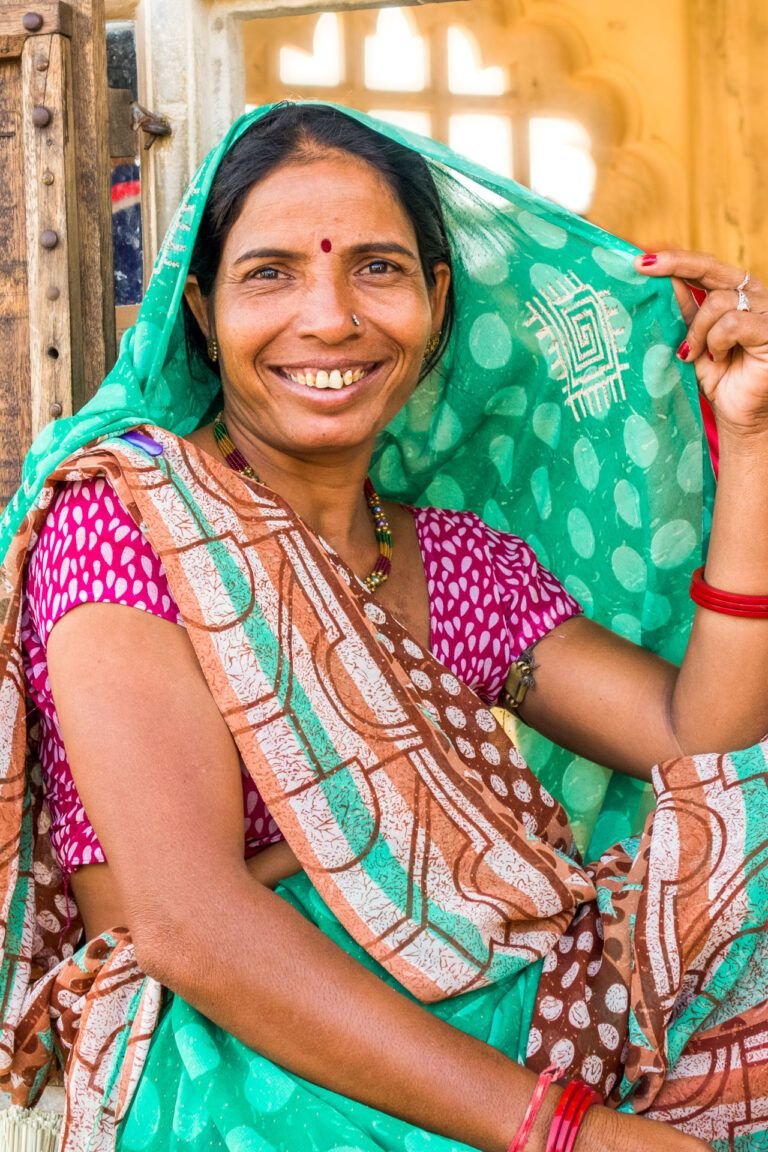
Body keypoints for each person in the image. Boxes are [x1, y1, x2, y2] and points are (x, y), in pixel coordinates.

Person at [1, 102, 767, 1152]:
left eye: (378, 268)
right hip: (232, 1073)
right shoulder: (134, 518)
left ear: (437, 301)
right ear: (200, 306)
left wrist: (753, 439)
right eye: (270, 273)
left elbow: (711, 758)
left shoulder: (447, 561)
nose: (329, 318)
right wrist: (569, 1135)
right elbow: (190, 927)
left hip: (486, 1028)